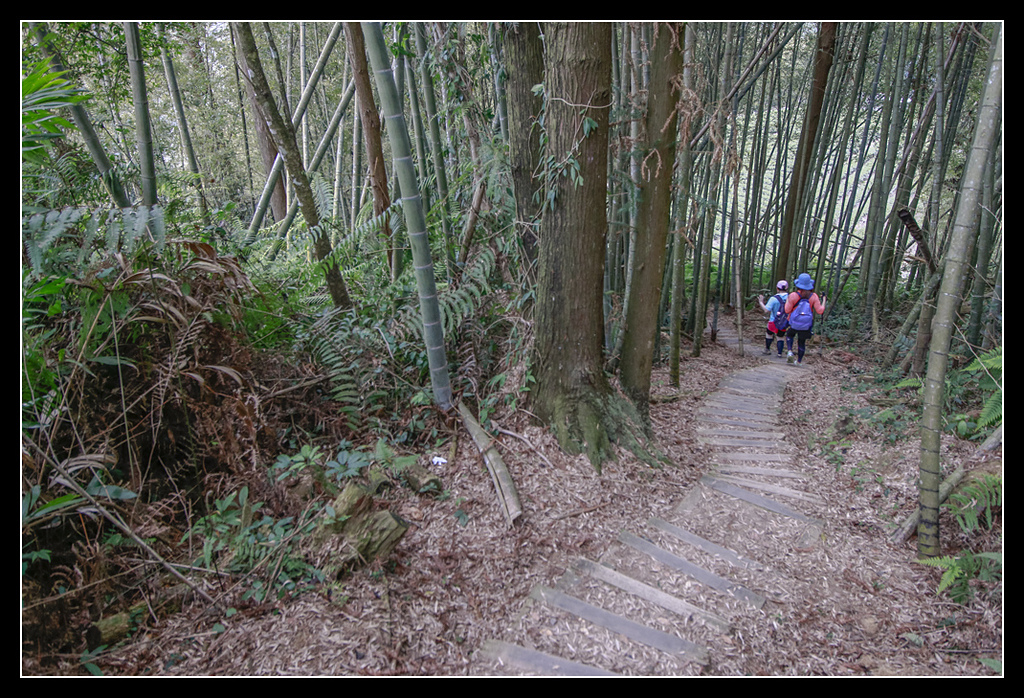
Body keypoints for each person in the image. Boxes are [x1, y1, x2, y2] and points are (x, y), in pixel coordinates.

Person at [784, 273, 826, 364]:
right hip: (806, 325)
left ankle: (790, 351)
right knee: (801, 342)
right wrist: (824, 301)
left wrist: (787, 300)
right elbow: (820, 311)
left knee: (790, 335)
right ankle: (799, 361)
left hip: (793, 323)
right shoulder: (813, 296)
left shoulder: (793, 295)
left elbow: (787, 310)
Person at [756, 280, 790, 357]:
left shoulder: (774, 298)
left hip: (773, 321)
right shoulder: (790, 298)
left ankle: (767, 349)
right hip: (784, 321)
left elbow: (766, 310)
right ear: (787, 289)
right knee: (780, 337)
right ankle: (779, 353)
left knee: (769, 334)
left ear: (777, 288)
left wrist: (761, 302)